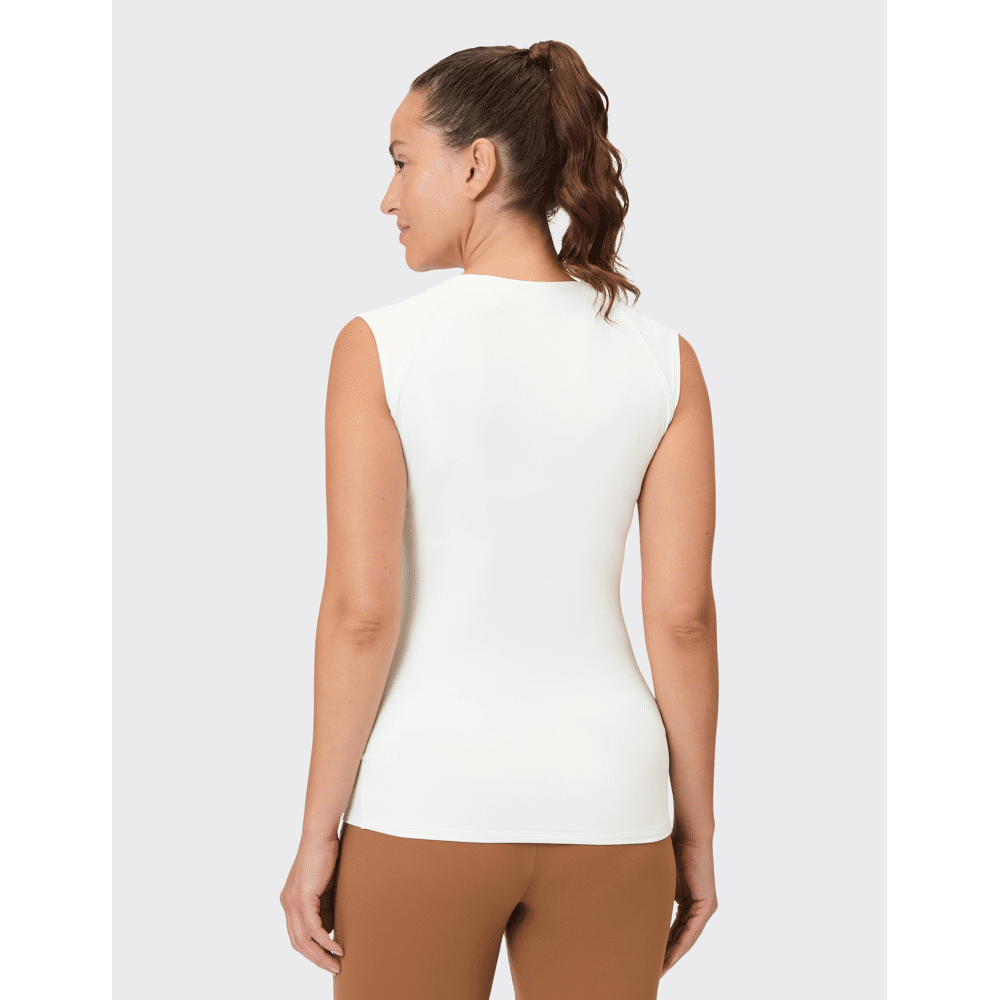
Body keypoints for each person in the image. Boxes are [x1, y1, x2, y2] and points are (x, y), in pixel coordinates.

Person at [280, 40, 719, 999]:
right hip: (613, 806)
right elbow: (683, 620)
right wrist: (695, 831)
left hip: (425, 798)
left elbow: (361, 614)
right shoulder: (664, 360)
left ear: (475, 165)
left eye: (402, 162)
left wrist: (318, 834)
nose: (388, 199)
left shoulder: (381, 348)